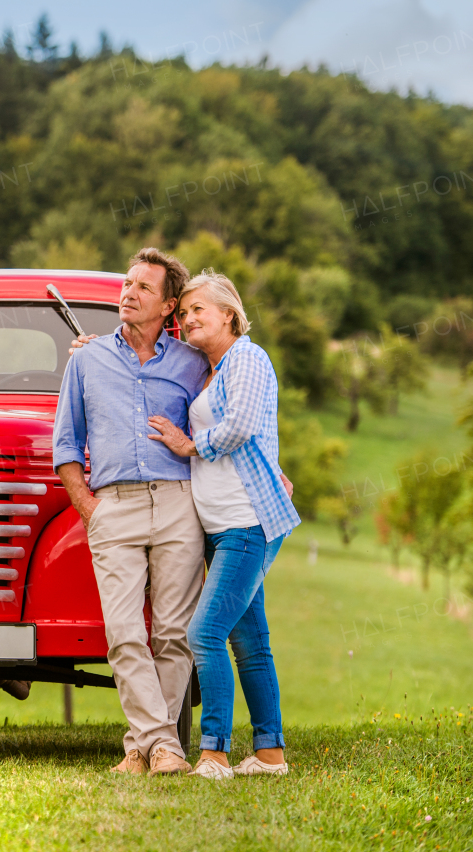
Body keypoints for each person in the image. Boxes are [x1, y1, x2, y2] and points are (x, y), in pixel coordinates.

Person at [52, 247, 208, 777]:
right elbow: (66, 445)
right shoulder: (87, 359)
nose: (128, 292)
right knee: (123, 631)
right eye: (127, 283)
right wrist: (89, 508)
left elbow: (220, 420)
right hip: (111, 507)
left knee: (171, 634)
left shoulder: (192, 364)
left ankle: (143, 750)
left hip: (177, 503)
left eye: (144, 287)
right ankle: (163, 744)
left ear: (168, 306)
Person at [145, 270, 300, 780]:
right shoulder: (208, 369)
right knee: (249, 640)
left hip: (249, 521)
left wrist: (191, 445)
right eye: (183, 312)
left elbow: (240, 426)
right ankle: (271, 753)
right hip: (220, 526)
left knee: (204, 634)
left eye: (198, 311)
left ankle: (213, 753)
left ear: (228, 315)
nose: (187, 319)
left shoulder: (248, 357)